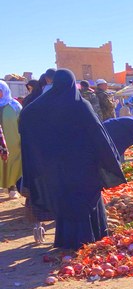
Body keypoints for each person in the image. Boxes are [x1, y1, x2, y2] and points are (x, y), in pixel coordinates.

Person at [18, 69, 125, 249]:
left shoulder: (43, 106)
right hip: (83, 164)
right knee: (85, 198)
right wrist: (110, 158)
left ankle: (67, 241)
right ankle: (89, 237)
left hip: (57, 167)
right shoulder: (80, 104)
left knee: (65, 200)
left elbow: (26, 116)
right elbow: (97, 133)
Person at [0, 81, 22, 198]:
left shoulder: (15, 105)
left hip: (13, 143)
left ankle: (12, 187)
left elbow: (22, 123)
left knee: (13, 164)